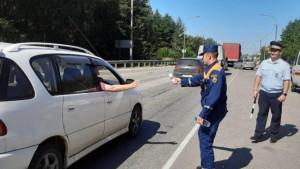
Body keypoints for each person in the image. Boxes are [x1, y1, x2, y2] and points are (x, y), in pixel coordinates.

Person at [173, 44, 227, 169]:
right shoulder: (210, 69)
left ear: (208, 55)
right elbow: (199, 80)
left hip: (214, 111)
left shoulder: (216, 72)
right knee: (204, 137)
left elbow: (214, 96)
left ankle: (207, 167)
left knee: (205, 138)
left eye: (203, 56)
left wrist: (203, 115)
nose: (202, 58)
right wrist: (181, 81)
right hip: (213, 110)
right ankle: (206, 165)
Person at [250, 41, 290, 143]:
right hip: (263, 93)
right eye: (272, 50)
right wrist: (255, 89)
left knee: (276, 116)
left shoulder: (284, 65)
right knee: (261, 114)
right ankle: (258, 135)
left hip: (277, 94)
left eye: (275, 50)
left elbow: (286, 81)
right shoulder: (264, 63)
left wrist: (284, 94)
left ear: (280, 52)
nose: (273, 52)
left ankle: (274, 135)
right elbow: (258, 76)